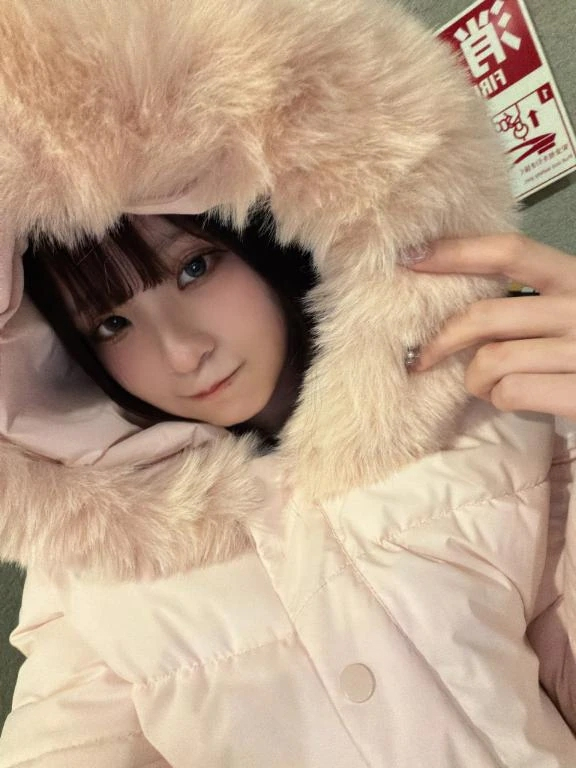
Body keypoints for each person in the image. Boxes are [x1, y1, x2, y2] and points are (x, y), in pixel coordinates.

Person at [0, 1, 575, 766]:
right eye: (110, 323)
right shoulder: (93, 558)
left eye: (194, 268)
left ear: (265, 236)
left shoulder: (495, 417)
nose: (183, 352)